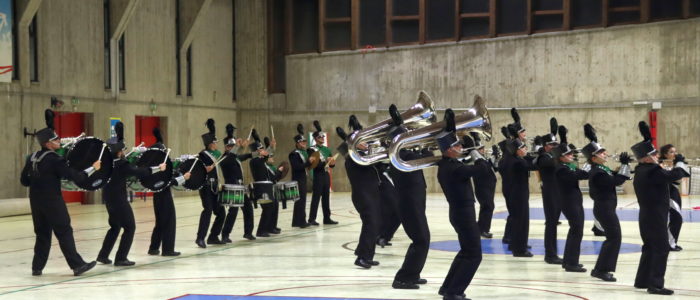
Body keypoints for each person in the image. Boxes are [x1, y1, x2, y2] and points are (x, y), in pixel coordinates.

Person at [20, 109, 99, 276]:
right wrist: (93, 168)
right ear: (48, 143)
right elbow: (75, 177)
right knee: (64, 231)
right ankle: (77, 265)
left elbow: (24, 181)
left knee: (42, 234)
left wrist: (39, 181)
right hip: (53, 202)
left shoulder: (33, 157)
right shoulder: (55, 160)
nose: (59, 141)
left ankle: (37, 267)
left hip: (36, 202)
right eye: (56, 139)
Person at [632, 121, 689, 295]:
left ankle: (642, 281)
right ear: (646, 157)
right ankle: (655, 285)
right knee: (661, 248)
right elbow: (676, 175)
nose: (657, 155)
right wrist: (679, 163)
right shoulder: (652, 171)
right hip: (655, 216)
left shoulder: (642, 169)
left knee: (649, 247)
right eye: (654, 154)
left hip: (646, 216)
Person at [97, 122, 165, 266]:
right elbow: (140, 172)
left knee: (115, 227)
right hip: (119, 200)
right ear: (119, 152)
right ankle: (121, 258)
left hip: (108, 199)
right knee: (130, 227)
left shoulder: (106, 163)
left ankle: (103, 255)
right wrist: (158, 168)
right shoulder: (122, 165)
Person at [435, 109, 482, 300]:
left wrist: (473, 153)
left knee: (466, 252)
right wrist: (477, 154)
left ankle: (448, 288)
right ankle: (454, 292)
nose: (461, 148)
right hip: (463, 213)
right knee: (474, 255)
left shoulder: (448, 165)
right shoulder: (454, 168)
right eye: (457, 145)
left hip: (459, 212)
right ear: (448, 149)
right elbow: (481, 170)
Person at [383, 105, 432, 289]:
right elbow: (418, 156)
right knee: (421, 239)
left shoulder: (407, 153)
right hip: (409, 203)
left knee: (422, 239)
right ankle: (403, 278)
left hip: (416, 201)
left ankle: (413, 273)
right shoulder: (400, 155)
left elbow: (427, 155)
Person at [582, 123, 630, 282]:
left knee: (613, 238)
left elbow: (615, 176)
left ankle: (600, 269)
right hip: (604, 209)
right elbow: (616, 181)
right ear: (594, 158)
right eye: (601, 152)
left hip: (606, 208)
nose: (605, 154)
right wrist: (624, 165)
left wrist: (626, 167)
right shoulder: (598, 172)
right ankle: (600, 270)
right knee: (614, 238)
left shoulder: (602, 169)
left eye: (604, 151)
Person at [337, 124, 381, 269]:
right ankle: (363, 257)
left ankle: (364, 253)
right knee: (371, 224)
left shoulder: (360, 156)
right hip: (363, 195)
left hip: (370, 194)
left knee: (373, 225)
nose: (366, 143)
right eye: (362, 141)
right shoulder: (354, 158)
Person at [148, 127, 190, 256]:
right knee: (169, 222)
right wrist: (183, 178)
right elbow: (167, 182)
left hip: (157, 196)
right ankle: (168, 249)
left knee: (160, 222)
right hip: (164, 196)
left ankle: (154, 248)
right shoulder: (161, 165)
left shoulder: (153, 165)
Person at [553, 125, 589, 272]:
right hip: (568, 201)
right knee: (577, 229)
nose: (571, 156)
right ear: (561, 157)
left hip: (574, 200)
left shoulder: (568, 166)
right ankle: (571, 263)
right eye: (568, 155)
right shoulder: (562, 169)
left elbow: (582, 173)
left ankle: (569, 260)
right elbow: (578, 175)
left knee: (575, 230)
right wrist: (588, 164)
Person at [501, 135, 537, 257]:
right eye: (522, 147)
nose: (525, 149)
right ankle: (519, 249)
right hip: (519, 194)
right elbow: (532, 166)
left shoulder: (506, 160)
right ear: (516, 150)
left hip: (511, 192)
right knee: (521, 221)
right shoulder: (517, 162)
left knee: (516, 220)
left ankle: (515, 244)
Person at [219, 124, 255, 241]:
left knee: (248, 209)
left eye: (232, 146)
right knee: (233, 212)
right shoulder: (224, 158)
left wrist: (254, 153)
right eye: (230, 146)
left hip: (240, 187)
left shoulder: (235, 157)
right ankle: (225, 235)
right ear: (226, 147)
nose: (232, 147)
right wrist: (237, 146)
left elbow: (244, 156)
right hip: (232, 187)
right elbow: (230, 157)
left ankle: (248, 232)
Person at [535, 117, 563, 264]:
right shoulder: (543, 158)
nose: (554, 146)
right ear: (545, 146)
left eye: (555, 144)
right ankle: (550, 254)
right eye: (551, 144)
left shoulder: (551, 156)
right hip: (550, 194)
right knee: (551, 223)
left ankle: (553, 253)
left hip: (557, 193)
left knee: (554, 223)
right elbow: (552, 163)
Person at [195, 119, 226, 248]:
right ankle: (200, 238)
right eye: (215, 142)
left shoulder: (218, 154)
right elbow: (195, 169)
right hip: (206, 187)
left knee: (221, 212)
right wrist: (204, 169)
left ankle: (213, 236)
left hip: (216, 187)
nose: (217, 144)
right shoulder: (202, 155)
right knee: (207, 210)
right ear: (210, 144)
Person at [307, 120, 338, 225]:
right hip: (318, 174)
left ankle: (327, 218)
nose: (322, 139)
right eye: (320, 137)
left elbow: (331, 165)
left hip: (326, 174)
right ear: (315, 139)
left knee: (326, 197)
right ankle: (312, 219)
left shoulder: (326, 149)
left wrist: (332, 162)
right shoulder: (311, 149)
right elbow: (315, 163)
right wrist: (326, 161)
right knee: (316, 197)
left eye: (323, 137)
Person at [469, 132, 497, 239]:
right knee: (488, 207)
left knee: (487, 207)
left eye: (483, 148)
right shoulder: (477, 161)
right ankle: (483, 229)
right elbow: (484, 169)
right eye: (480, 149)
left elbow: (495, 169)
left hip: (489, 187)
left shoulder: (484, 160)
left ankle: (481, 228)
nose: (483, 150)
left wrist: (495, 157)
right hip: (482, 188)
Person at [289, 124, 315, 228]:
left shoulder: (303, 152)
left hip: (303, 178)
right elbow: (297, 167)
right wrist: (308, 162)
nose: (304, 143)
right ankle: (301, 221)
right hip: (297, 179)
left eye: (305, 142)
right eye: (302, 142)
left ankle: (296, 222)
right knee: (300, 201)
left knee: (300, 200)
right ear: (297, 143)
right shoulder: (294, 154)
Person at [659, 144, 684, 252]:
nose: (675, 154)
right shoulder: (660, 165)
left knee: (675, 218)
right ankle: (669, 244)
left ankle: (670, 243)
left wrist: (678, 165)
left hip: (675, 193)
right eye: (672, 152)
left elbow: (678, 180)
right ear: (665, 154)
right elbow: (670, 178)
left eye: (675, 151)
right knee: (677, 218)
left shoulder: (674, 164)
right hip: (667, 194)